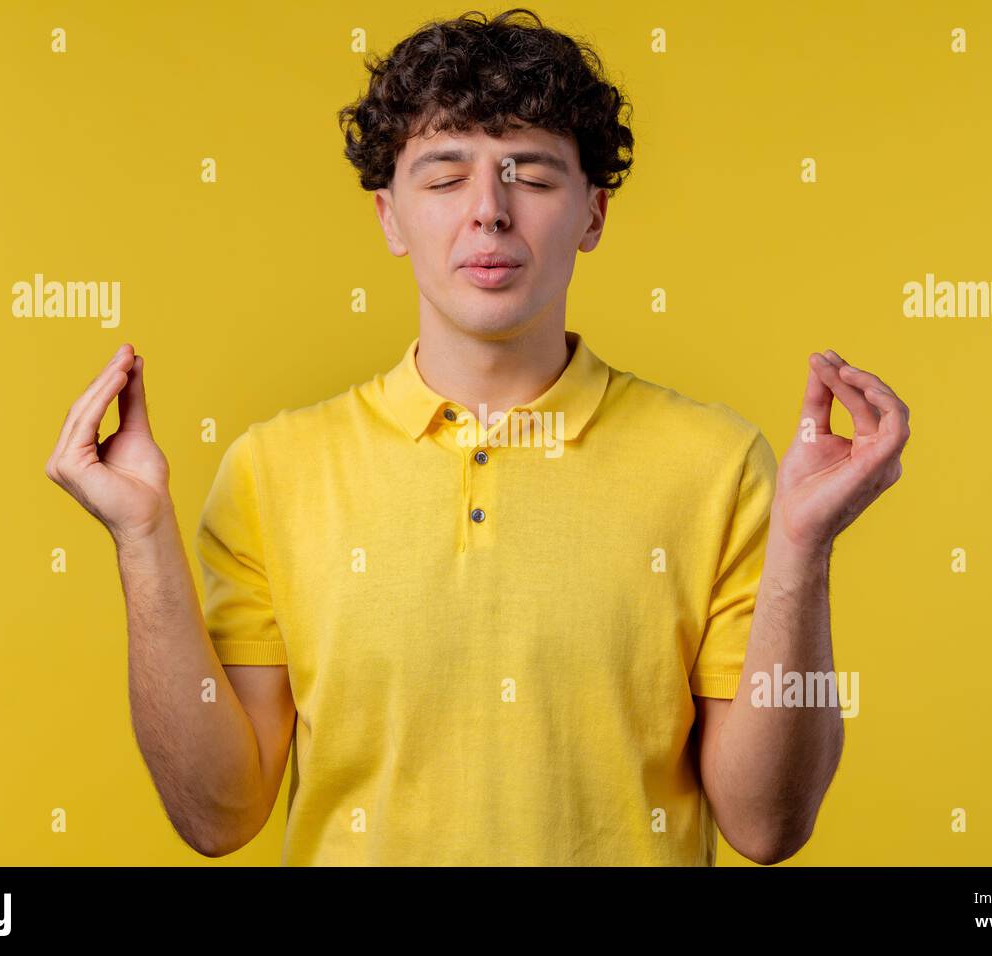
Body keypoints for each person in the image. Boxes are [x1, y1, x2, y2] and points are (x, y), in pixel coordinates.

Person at [45, 8, 909, 866]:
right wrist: (140, 538)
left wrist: (804, 545)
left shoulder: (719, 466)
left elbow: (767, 826)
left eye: (530, 175)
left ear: (594, 214)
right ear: (389, 217)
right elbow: (218, 815)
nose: (489, 211)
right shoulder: (273, 471)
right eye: (445, 176)